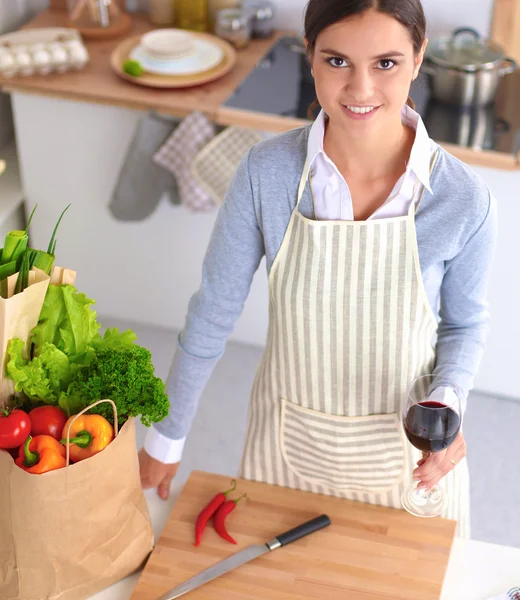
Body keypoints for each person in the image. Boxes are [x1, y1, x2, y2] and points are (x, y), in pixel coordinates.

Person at [139, 0, 497, 538]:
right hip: (286, 449)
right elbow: (213, 312)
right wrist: (166, 437)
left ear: (419, 57)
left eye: (386, 63)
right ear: (309, 55)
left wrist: (448, 397)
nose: (359, 89)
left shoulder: (462, 196)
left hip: (407, 461)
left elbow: (465, 325)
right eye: (337, 62)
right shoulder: (266, 175)